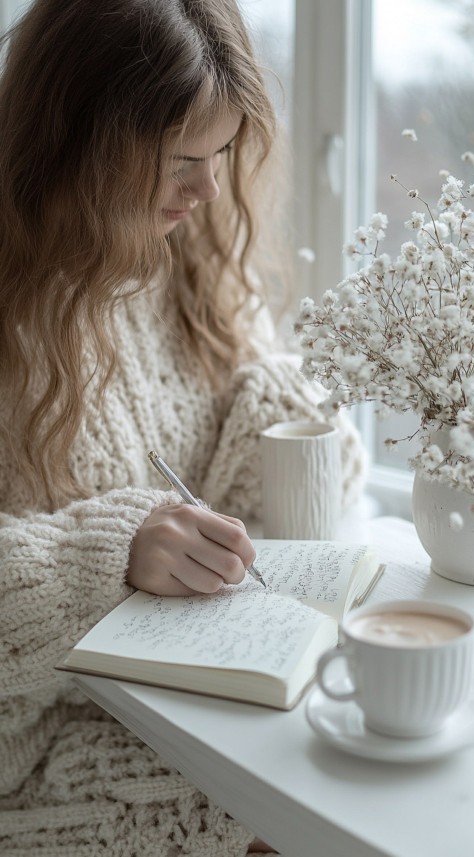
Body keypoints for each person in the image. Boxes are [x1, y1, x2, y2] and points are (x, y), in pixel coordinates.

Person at [0, 0, 366, 853]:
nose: (206, 192)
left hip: (197, 704)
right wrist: (109, 557)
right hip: (41, 756)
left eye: (220, 154)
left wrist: (285, 419)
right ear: (82, 146)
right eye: (177, 162)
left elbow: (282, 502)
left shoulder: (193, 259)